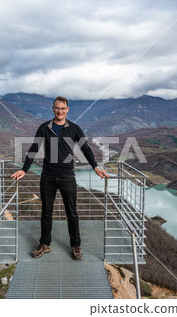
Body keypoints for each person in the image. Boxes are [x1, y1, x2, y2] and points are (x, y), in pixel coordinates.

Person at [11, 96, 109, 260]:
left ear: (67, 110)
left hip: (67, 176)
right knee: (46, 212)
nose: (60, 111)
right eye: (57, 108)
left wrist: (95, 167)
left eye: (63, 108)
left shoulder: (74, 129)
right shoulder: (44, 128)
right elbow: (34, 149)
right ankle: (44, 244)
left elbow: (86, 149)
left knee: (72, 212)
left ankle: (75, 245)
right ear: (53, 109)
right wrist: (24, 170)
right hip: (47, 176)